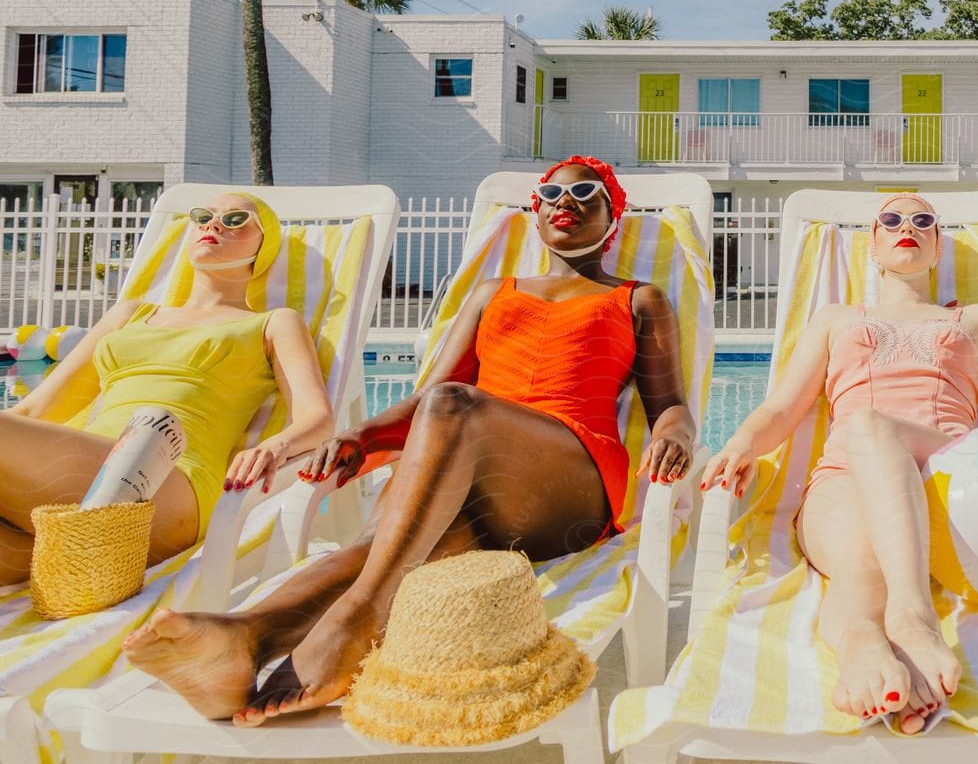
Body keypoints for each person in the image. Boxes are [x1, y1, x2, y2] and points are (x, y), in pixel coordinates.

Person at [123, 157, 696, 725]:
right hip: (478, 485)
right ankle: (242, 636)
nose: (563, 204)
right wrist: (361, 435)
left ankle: (360, 617)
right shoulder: (495, 291)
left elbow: (668, 404)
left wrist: (674, 434)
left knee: (454, 408)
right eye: (550, 195)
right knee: (379, 543)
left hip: (567, 486)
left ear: (611, 215)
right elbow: (431, 395)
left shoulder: (637, 298)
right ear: (534, 214)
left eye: (584, 194)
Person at [702, 194, 978, 735]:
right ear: (874, 246)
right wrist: (741, 443)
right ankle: (865, 648)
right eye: (891, 220)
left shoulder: (974, 319)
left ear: (937, 248)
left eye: (922, 221)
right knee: (861, 557)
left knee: (868, 424)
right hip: (843, 482)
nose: (906, 226)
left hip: (951, 477)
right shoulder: (836, 319)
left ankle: (911, 614)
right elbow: (780, 406)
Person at [0, 193, 332, 586]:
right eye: (204, 215)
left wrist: (275, 446)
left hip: (171, 483)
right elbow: (35, 411)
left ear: (264, 245)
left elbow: (317, 418)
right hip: (76, 482)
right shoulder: (129, 314)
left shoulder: (273, 322)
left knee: (154, 425)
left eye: (236, 219)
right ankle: (86, 559)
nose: (214, 224)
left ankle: (100, 534)